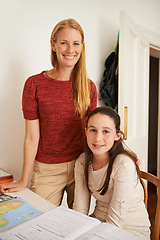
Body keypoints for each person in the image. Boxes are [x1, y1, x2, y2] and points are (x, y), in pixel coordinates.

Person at [0, 18, 97, 208]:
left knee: (77, 223)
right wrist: (23, 180)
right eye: (64, 43)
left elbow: (95, 131)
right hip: (47, 170)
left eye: (76, 43)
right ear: (53, 45)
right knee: (40, 224)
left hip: (81, 165)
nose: (70, 49)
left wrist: (122, 154)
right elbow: (31, 137)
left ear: (82, 46)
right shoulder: (34, 85)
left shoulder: (89, 87)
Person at [73, 106, 150, 239]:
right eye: (93, 130)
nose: (98, 138)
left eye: (106, 132)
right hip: (98, 222)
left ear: (117, 135)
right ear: (85, 132)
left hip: (129, 229)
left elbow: (115, 222)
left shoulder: (123, 165)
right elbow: (80, 210)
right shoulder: (82, 161)